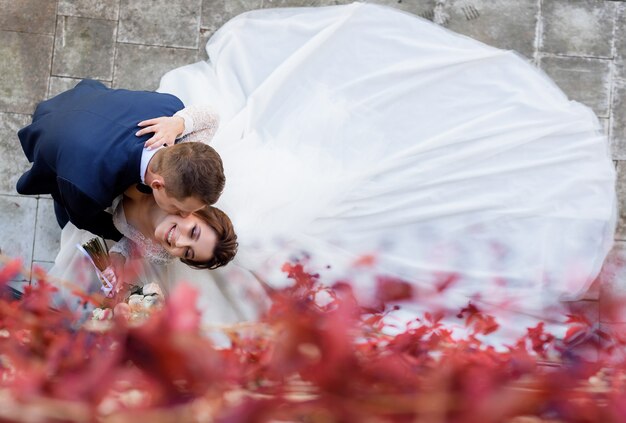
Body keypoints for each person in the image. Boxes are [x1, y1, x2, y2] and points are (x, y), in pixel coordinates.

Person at [143, 2, 616, 336]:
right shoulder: (216, 213)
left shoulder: (213, 207)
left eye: (186, 241)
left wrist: (181, 125)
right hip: (304, 194)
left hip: (303, 183)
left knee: (389, 191)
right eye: (189, 241)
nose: (179, 238)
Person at [16, 79, 225, 241]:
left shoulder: (169, 107)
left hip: (90, 100)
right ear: (158, 185)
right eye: (179, 209)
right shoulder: (86, 187)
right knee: (67, 208)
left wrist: (180, 122)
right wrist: (130, 237)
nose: (181, 215)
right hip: (52, 131)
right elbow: (85, 219)